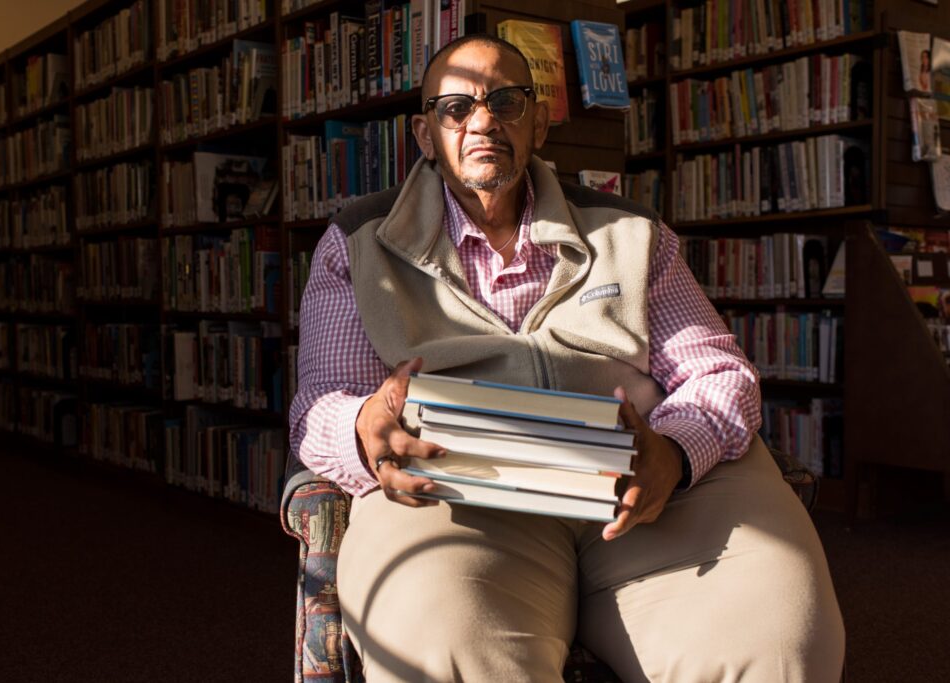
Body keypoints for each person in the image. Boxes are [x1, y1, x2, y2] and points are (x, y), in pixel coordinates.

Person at [290, 34, 845, 682]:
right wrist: (363, 428)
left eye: (506, 100)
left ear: (540, 124)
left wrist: (675, 453)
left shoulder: (632, 233)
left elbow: (717, 372)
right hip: (460, 494)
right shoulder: (355, 244)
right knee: (443, 646)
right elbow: (318, 403)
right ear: (423, 133)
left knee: (776, 642)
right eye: (456, 106)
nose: (484, 119)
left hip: (650, 485)